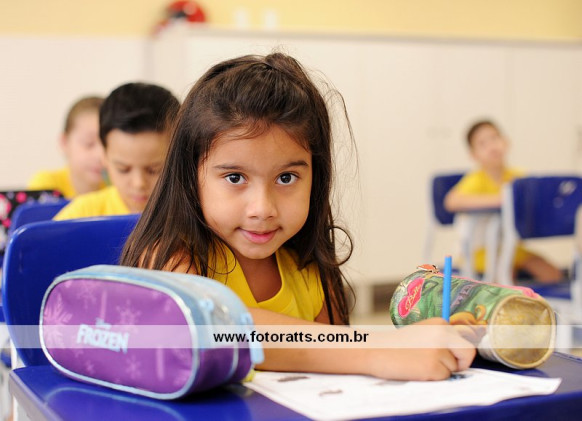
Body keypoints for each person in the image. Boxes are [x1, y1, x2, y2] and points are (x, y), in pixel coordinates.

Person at [120, 53, 476, 381]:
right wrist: (378, 347)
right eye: (235, 178)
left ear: (315, 178)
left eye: (286, 178)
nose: (263, 208)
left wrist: (433, 340)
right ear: (190, 176)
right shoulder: (171, 256)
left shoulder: (310, 269)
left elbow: (337, 359)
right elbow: (212, 329)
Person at [444, 120, 562, 283]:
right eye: (483, 144)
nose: (492, 146)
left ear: (506, 142)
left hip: (511, 247)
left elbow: (537, 197)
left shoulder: (518, 177)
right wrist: (501, 200)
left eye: (494, 138)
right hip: (480, 250)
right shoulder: (476, 179)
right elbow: (451, 202)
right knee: (505, 275)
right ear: (473, 155)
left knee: (553, 274)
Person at [54, 83, 179, 220]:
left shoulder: (190, 216)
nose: (138, 183)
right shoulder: (81, 215)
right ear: (104, 156)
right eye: (123, 169)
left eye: (154, 170)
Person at [28, 96, 106, 198]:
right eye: (89, 143)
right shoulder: (46, 187)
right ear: (64, 142)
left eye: (106, 145)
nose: (100, 155)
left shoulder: (117, 189)